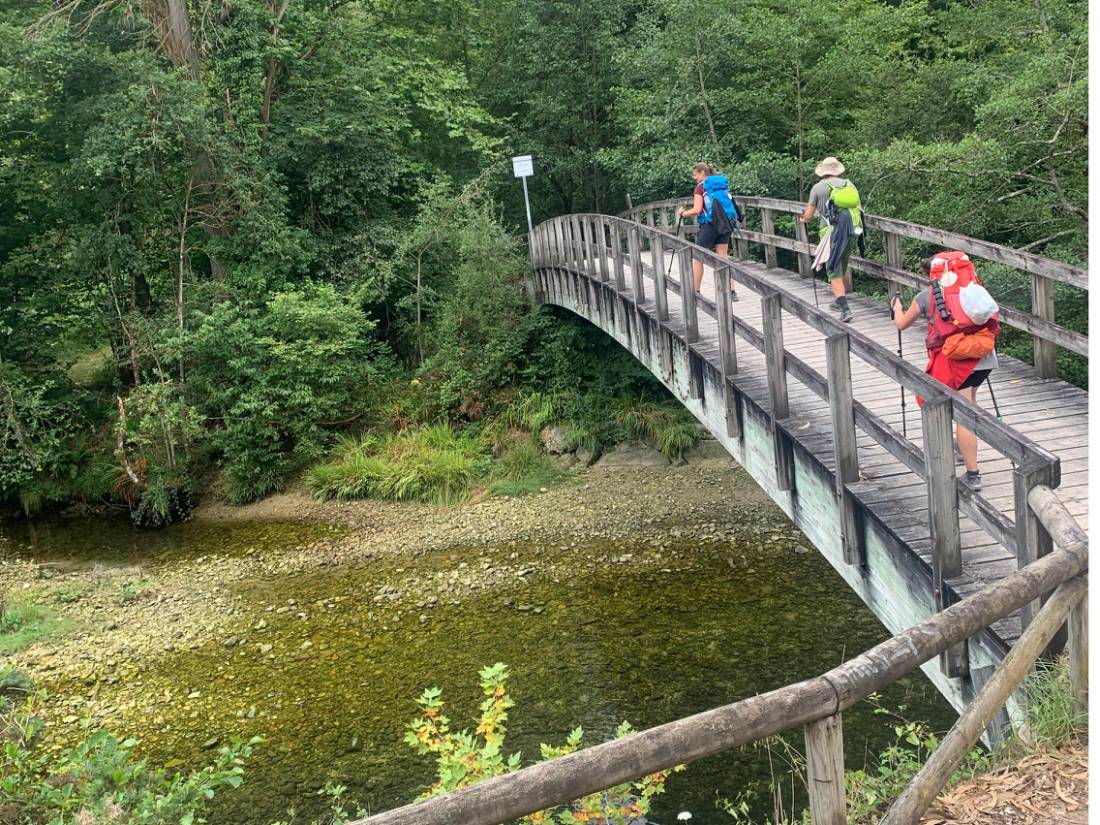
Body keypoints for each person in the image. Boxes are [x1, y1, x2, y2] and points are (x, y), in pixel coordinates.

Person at [890, 255, 1000, 492]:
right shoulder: (974, 288)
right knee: (969, 401)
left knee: (964, 414)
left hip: (957, 360)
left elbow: (901, 324)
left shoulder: (927, 296)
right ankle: (963, 447)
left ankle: (973, 474)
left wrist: (896, 307)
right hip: (983, 356)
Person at [799, 157, 862, 323]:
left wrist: (803, 219)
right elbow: (859, 208)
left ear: (823, 171)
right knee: (841, 264)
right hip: (850, 231)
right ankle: (838, 299)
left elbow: (809, 214)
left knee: (833, 268)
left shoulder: (818, 188)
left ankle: (845, 308)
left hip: (830, 233)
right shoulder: (849, 185)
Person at [676, 163, 740, 300]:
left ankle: (695, 292)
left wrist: (683, 213)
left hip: (709, 225)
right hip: (725, 222)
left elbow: (697, 210)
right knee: (723, 256)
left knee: (698, 257)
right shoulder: (722, 186)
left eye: (695, 174)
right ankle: (732, 292)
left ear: (701, 172)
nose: (694, 177)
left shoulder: (700, 188)